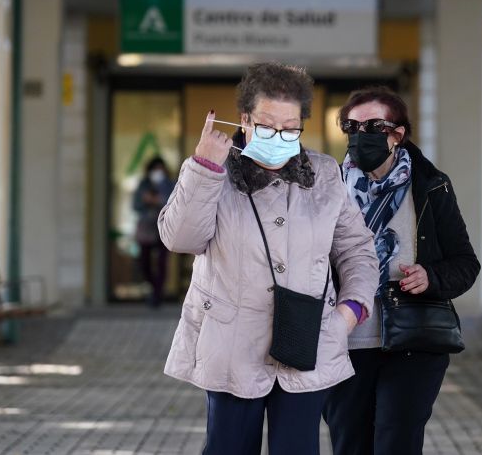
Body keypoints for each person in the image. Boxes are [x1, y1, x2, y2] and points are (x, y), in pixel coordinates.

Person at [158, 62, 379, 455]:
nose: (279, 136)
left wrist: (349, 313)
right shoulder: (215, 172)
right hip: (231, 345)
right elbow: (180, 238)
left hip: (308, 341)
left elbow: (357, 250)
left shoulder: (325, 174)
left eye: (290, 127)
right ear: (244, 120)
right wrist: (204, 169)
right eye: (267, 124)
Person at [323, 86, 480, 455]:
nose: (361, 136)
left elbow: (465, 263)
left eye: (373, 126)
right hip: (343, 341)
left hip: (412, 339)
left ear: (397, 134)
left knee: (397, 441)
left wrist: (431, 277)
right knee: (349, 443)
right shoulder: (327, 187)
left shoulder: (431, 186)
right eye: (352, 126)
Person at [133, 156, 175, 307]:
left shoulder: (170, 184)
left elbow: (176, 202)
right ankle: (154, 289)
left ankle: (157, 295)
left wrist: (159, 200)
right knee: (144, 263)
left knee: (162, 263)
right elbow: (135, 205)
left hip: (164, 227)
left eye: (160, 169)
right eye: (154, 169)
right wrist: (145, 201)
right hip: (146, 228)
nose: (157, 172)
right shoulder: (143, 184)